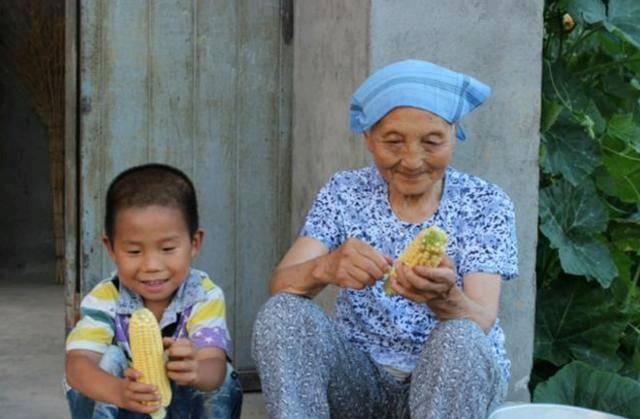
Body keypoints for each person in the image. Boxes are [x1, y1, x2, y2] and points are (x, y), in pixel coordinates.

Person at [252, 59, 518, 419]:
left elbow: (482, 319)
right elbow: (281, 284)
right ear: (369, 139)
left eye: (432, 141)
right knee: (282, 314)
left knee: (463, 339)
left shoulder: (485, 203)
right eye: (393, 142)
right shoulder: (344, 192)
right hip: (361, 380)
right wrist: (324, 267)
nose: (412, 160)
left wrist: (446, 298)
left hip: (448, 384)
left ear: (454, 134)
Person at [64, 164, 243, 418]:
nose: (151, 266)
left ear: (194, 243)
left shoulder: (203, 295)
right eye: (134, 252)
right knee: (109, 359)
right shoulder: (105, 299)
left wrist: (196, 370)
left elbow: (213, 365)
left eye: (168, 249)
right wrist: (118, 391)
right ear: (111, 247)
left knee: (222, 377)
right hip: (123, 404)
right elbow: (77, 364)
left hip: (182, 406)